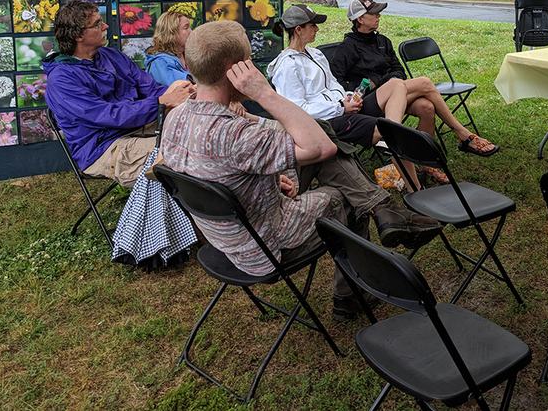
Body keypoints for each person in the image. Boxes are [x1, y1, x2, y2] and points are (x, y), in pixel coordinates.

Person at [160, 20, 441, 320]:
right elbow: (322, 147)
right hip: (264, 246)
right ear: (236, 70)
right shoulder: (237, 136)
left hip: (227, 234)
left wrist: (268, 179)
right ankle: (352, 293)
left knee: (321, 133)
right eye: (250, 61)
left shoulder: (176, 117)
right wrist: (265, 94)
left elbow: (204, 168)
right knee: (343, 194)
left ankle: (384, 212)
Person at [266, 4, 444, 186]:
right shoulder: (287, 66)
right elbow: (298, 111)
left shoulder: (316, 54)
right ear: (298, 29)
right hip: (326, 121)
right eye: (313, 25)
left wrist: (349, 97)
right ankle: (416, 188)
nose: (317, 29)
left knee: (396, 87)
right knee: (390, 134)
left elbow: (333, 84)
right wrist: (341, 107)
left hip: (345, 108)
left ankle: (398, 146)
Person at [44, 0, 192, 187]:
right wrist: (161, 102)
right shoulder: (62, 79)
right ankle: (180, 210)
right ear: (78, 35)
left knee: (187, 104)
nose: (106, 25)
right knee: (182, 154)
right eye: (97, 24)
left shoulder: (111, 56)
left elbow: (151, 88)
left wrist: (189, 93)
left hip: (135, 126)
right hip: (103, 146)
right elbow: (109, 115)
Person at [329, 0, 499, 158]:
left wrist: (392, 81)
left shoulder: (383, 41)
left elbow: (398, 70)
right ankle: (463, 134)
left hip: (396, 94)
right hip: (367, 103)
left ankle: (425, 160)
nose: (379, 16)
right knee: (424, 82)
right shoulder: (347, 48)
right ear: (360, 19)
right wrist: (376, 84)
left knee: (426, 107)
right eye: (374, 14)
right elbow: (337, 83)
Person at [145, 10, 192, 85]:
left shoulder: (188, 54)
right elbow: (184, 87)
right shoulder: (158, 63)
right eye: (186, 28)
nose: (191, 31)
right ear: (171, 32)